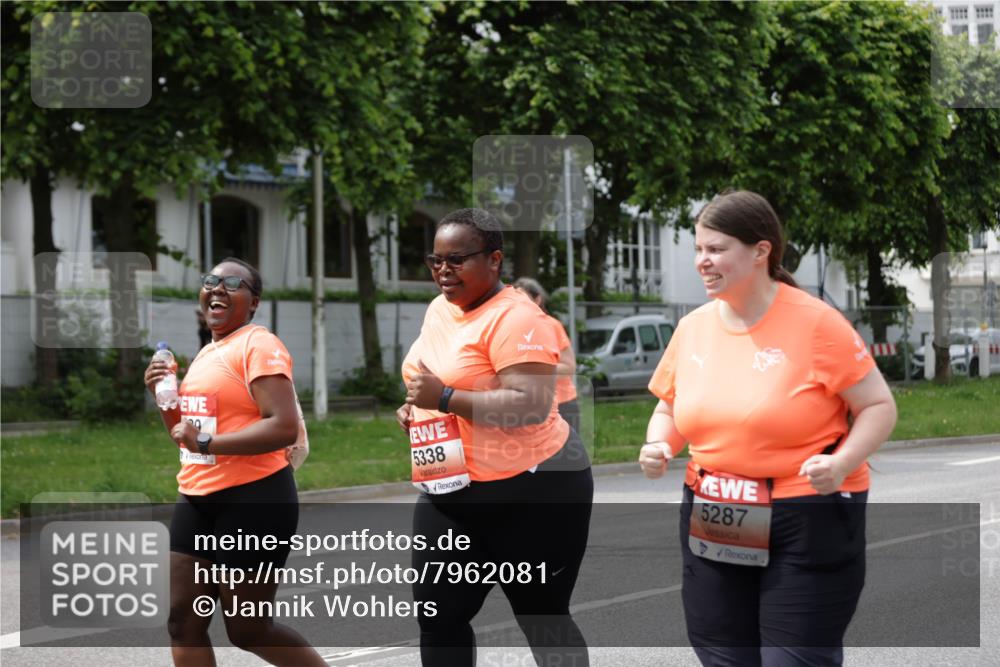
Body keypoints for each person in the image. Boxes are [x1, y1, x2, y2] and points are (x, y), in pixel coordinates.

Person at [637, 191, 897, 667]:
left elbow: (879, 405)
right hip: (714, 506)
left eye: (716, 249)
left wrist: (841, 464)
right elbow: (670, 408)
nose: (702, 261)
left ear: (761, 251)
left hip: (806, 510)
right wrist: (659, 443)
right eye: (698, 248)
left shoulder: (817, 322)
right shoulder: (693, 328)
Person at [398, 208, 593, 667]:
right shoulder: (440, 309)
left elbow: (530, 404)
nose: (443, 271)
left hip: (534, 491)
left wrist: (444, 397)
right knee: (439, 618)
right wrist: (416, 407)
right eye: (435, 260)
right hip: (450, 488)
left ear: (495, 260)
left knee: (542, 615)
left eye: (457, 260)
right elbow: (426, 374)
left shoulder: (518, 318)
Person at [144, 257, 325, 667]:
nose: (218, 288)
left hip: (254, 499)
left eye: (233, 283)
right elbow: (184, 434)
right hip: (196, 496)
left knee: (248, 630)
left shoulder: (258, 344)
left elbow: (282, 427)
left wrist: (206, 441)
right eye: (211, 281)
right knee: (183, 623)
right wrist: (163, 394)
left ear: (254, 302)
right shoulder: (209, 352)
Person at [513, 277, 581, 435]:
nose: (517, 304)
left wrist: (536, 369)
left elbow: (569, 367)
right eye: (515, 299)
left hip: (562, 404)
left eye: (523, 299)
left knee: (564, 457)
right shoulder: (513, 328)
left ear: (537, 299)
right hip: (530, 404)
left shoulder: (552, 325)